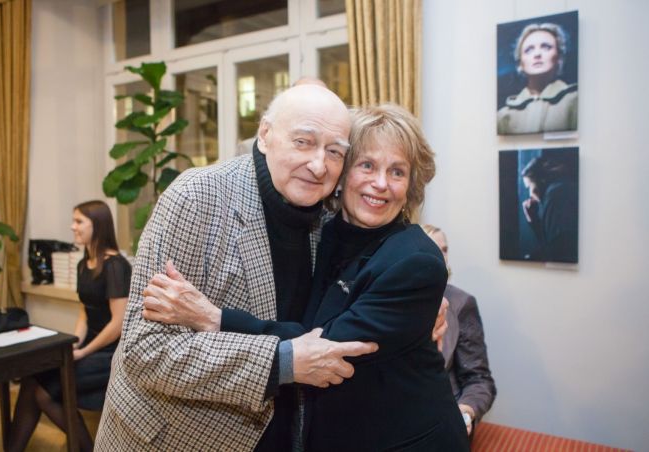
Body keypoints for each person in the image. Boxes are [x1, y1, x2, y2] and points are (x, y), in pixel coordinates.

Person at [142, 104, 469, 451]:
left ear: (411, 185)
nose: (380, 183)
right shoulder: (324, 232)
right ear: (342, 173)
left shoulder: (415, 259)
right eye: (367, 165)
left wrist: (216, 318)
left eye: (397, 172)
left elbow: (325, 348)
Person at [95, 84, 385, 451]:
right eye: (303, 142)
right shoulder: (197, 197)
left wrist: (426, 300)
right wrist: (280, 362)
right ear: (265, 135)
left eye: (334, 152)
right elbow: (146, 350)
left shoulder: (329, 216)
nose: (318, 165)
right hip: (171, 438)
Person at [8, 200, 131, 452]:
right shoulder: (83, 264)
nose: (72, 227)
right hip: (89, 347)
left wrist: (84, 352)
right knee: (31, 378)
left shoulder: (116, 266)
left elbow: (118, 324)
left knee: (43, 392)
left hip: (112, 353)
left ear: (98, 225)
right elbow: (85, 311)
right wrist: (74, 344)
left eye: (79, 221)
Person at [423, 224, 497, 439]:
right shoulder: (388, 303)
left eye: (444, 250)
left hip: (446, 417)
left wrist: (465, 411)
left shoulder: (461, 303)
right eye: (432, 249)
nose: (441, 257)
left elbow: (479, 379)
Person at [497, 22, 577, 135]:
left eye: (546, 47)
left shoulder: (574, 100)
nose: (537, 54)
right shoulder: (504, 115)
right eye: (529, 50)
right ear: (520, 64)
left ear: (559, 58)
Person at [521, 154, 578, 262]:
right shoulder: (560, 189)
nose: (530, 194)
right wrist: (533, 220)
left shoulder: (554, 196)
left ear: (541, 180)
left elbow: (556, 250)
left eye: (529, 187)